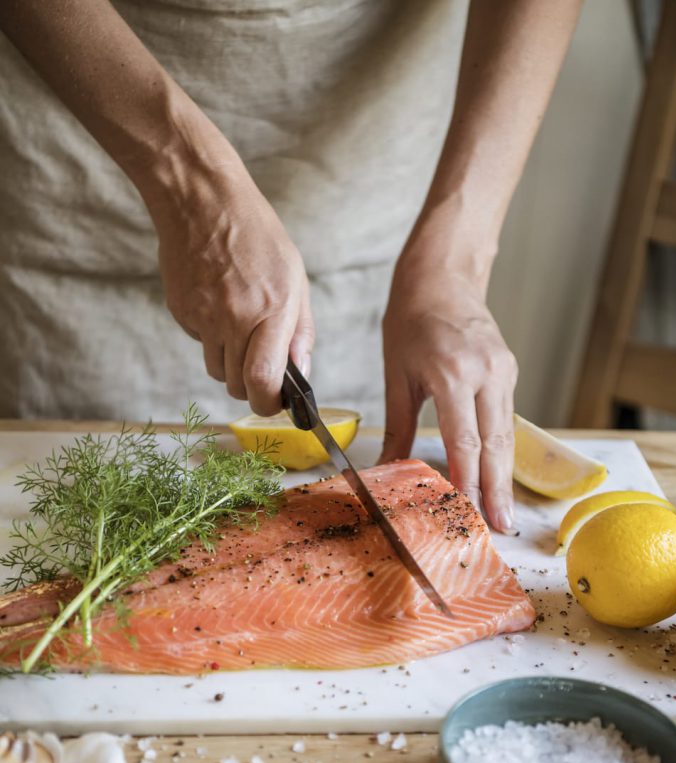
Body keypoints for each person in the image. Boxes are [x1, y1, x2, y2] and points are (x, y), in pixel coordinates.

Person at [0, 0, 581, 533]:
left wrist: (453, 262)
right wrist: (185, 180)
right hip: (80, 173)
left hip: (367, 197)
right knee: (61, 517)